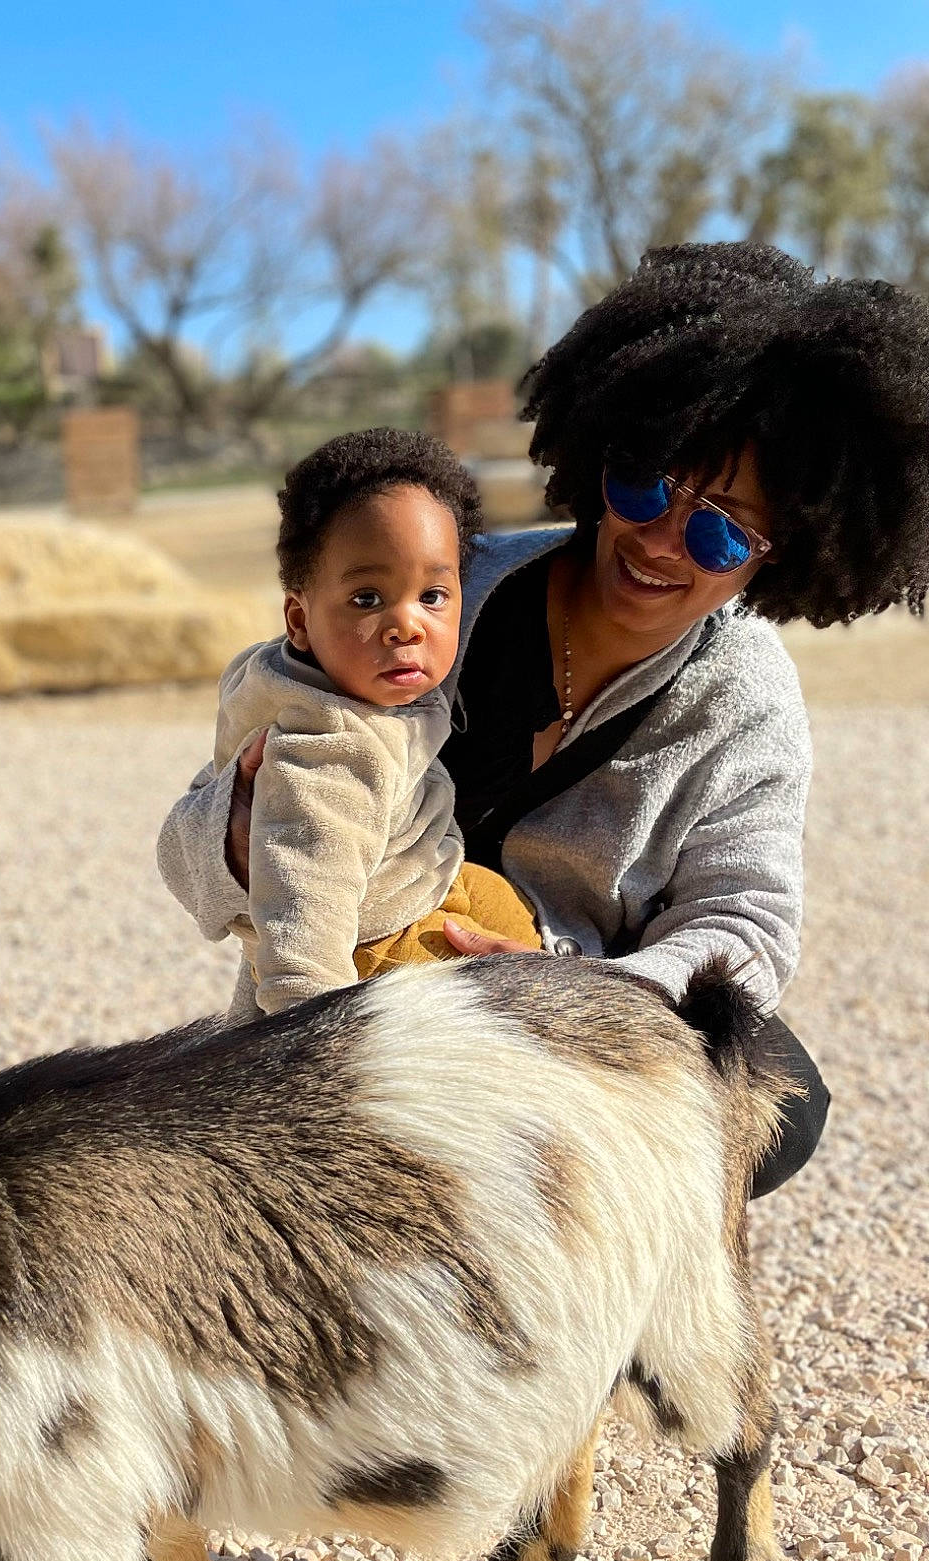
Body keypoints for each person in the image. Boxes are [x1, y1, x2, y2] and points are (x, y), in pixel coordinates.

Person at [157, 242, 929, 1198]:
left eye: (721, 525)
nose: (658, 537)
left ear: (782, 553)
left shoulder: (748, 696)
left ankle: (590, 1283)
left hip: (565, 1031)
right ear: (602, 448)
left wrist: (581, 997)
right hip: (354, 999)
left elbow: (746, 921)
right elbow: (194, 840)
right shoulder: (436, 593)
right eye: (645, 483)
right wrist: (240, 838)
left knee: (780, 1096)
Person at [172, 429, 540, 1022]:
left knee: (513, 919)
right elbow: (302, 920)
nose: (407, 625)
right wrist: (318, 1039)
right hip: (373, 958)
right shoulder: (327, 754)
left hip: (421, 891)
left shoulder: (368, 696)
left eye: (434, 595)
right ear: (300, 618)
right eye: (368, 599)